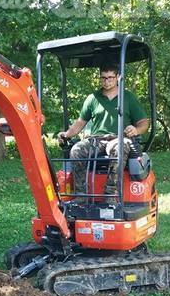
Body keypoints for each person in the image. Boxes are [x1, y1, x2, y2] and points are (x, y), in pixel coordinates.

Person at [57, 64, 149, 203]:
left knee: (119, 148)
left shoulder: (128, 97)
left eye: (110, 77)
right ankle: (82, 195)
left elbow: (143, 123)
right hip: (97, 139)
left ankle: (111, 194)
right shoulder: (93, 98)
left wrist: (136, 130)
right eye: (103, 78)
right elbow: (80, 123)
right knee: (76, 150)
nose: (107, 81)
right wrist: (67, 134)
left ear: (118, 77)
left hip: (118, 138)